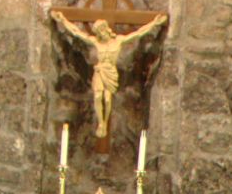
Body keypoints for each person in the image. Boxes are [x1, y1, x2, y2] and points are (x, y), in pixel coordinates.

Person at [50, 9, 167, 139]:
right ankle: (101, 123)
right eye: (98, 32)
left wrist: (155, 23)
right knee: (98, 97)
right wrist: (62, 20)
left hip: (110, 72)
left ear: (106, 30)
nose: (101, 34)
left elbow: (138, 33)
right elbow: (77, 33)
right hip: (99, 71)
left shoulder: (118, 41)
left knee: (107, 98)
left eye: (102, 31)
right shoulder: (96, 42)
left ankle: (105, 121)